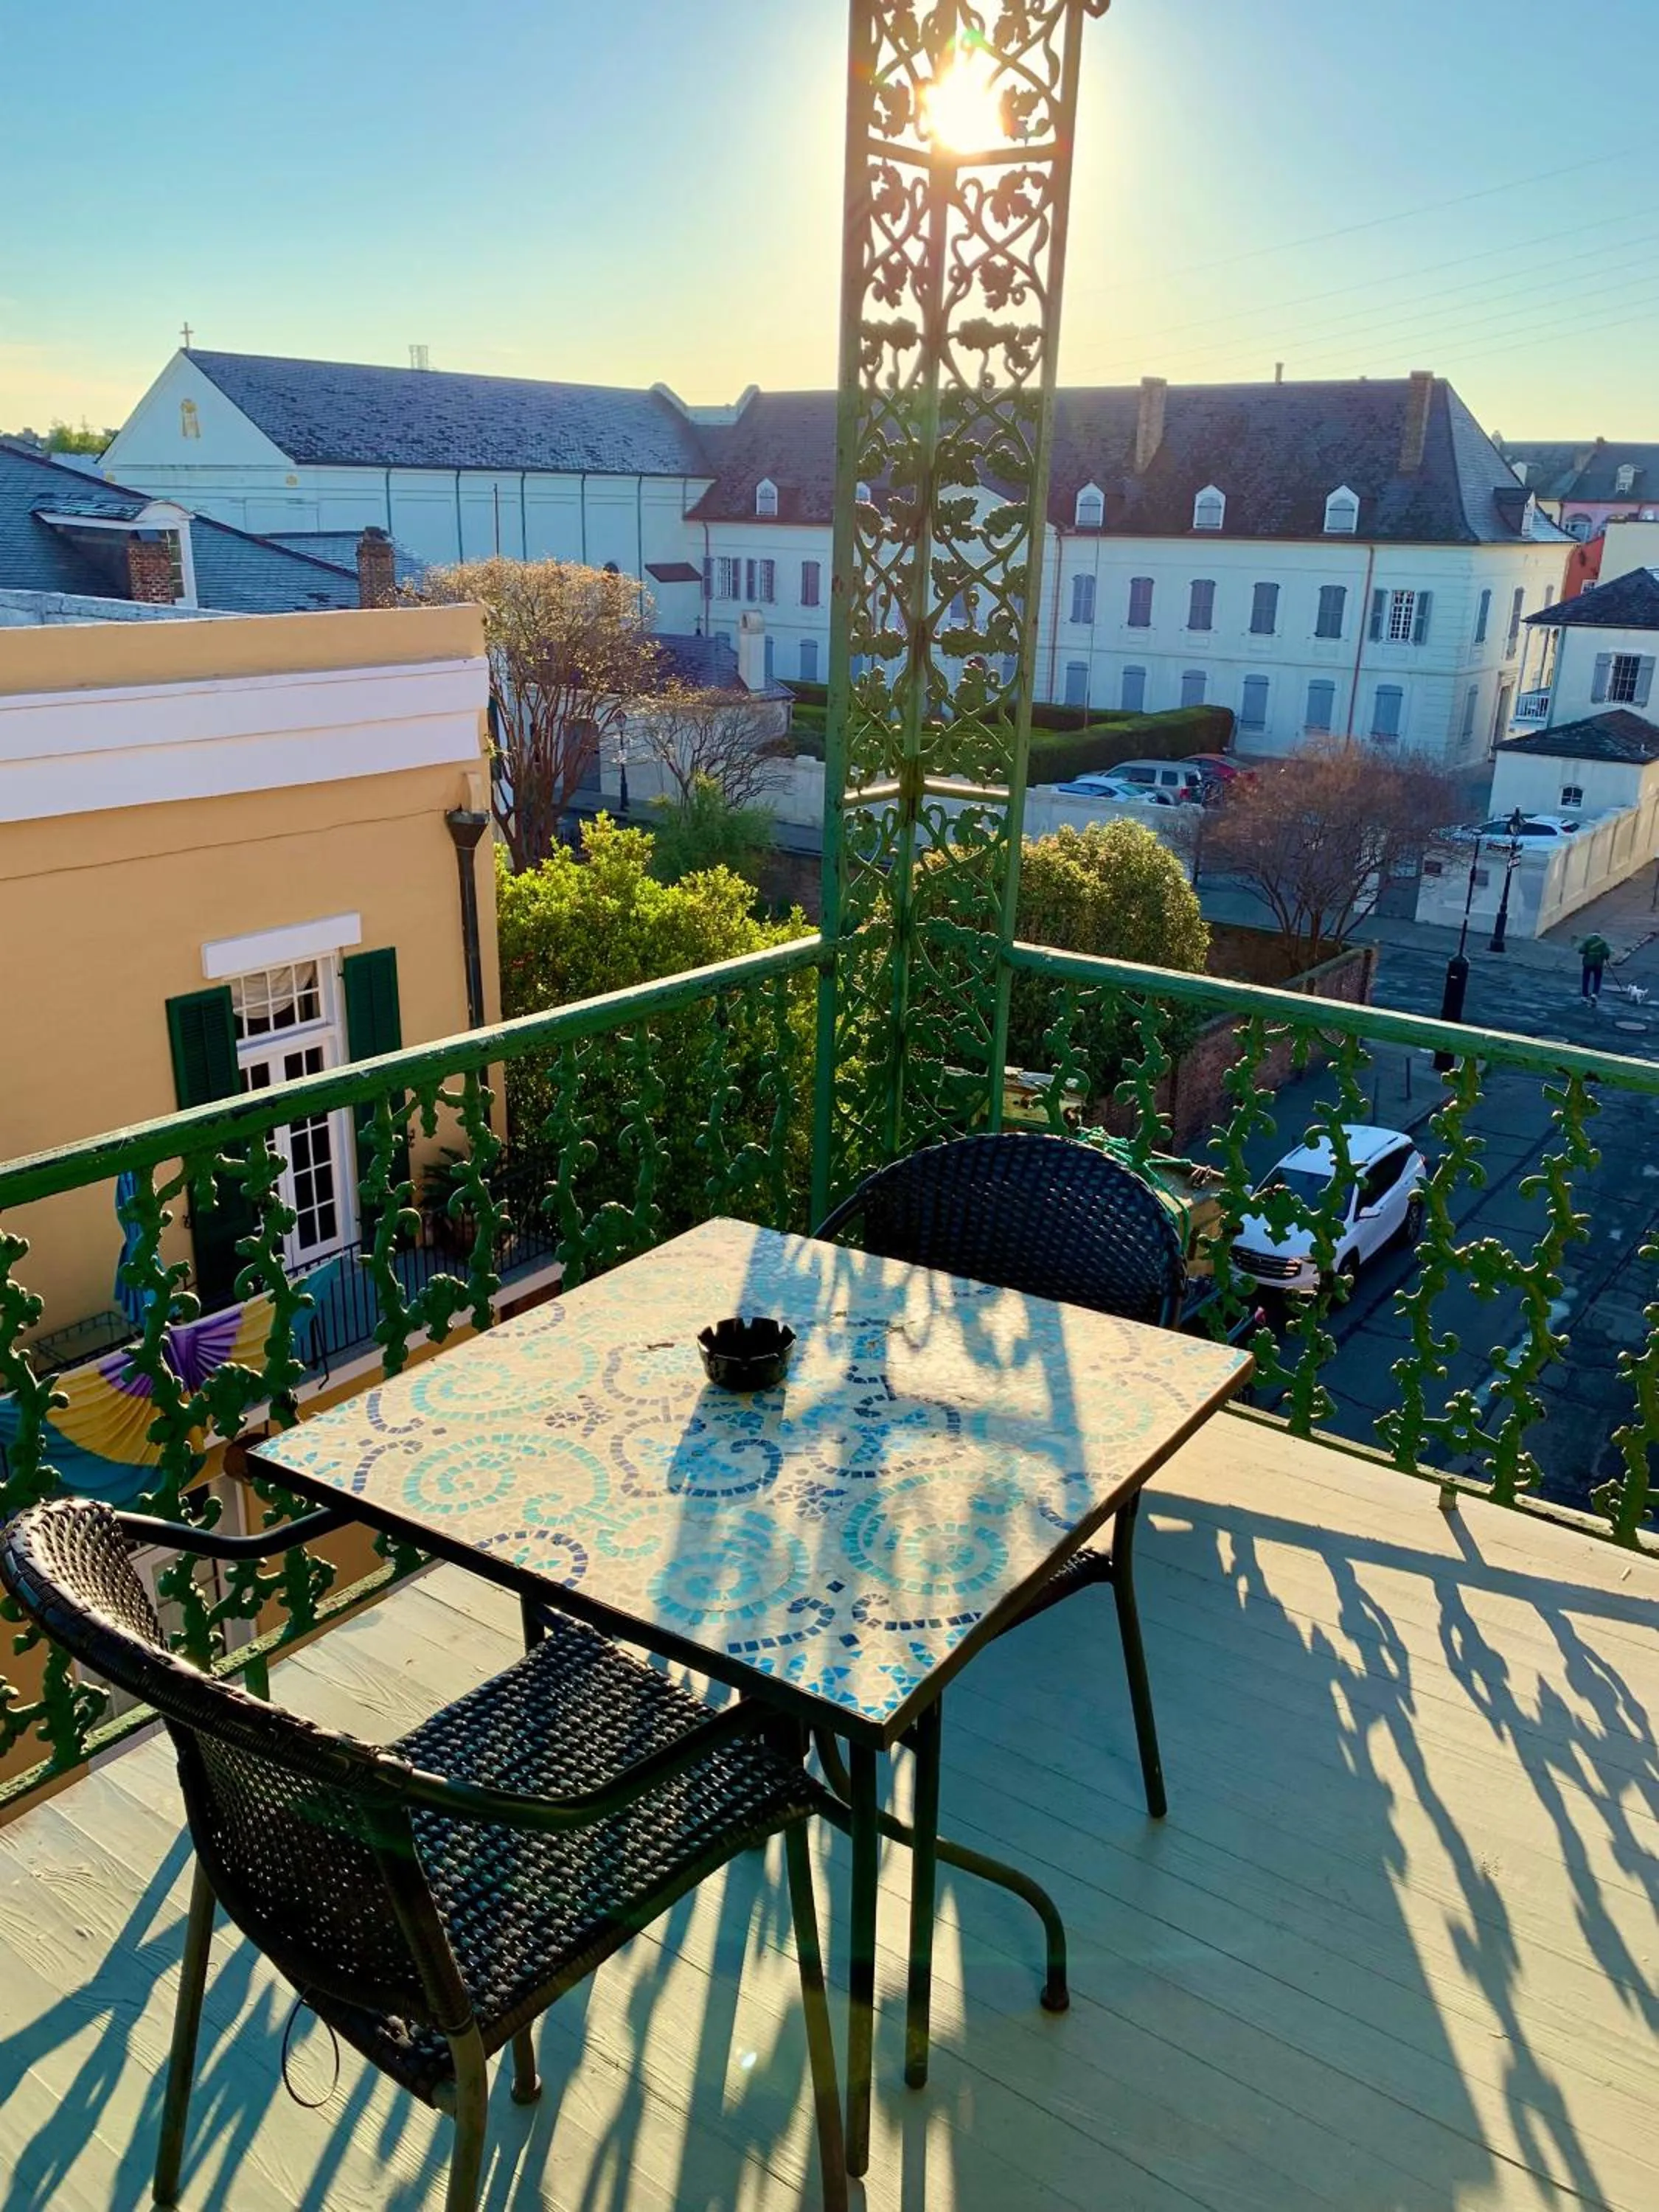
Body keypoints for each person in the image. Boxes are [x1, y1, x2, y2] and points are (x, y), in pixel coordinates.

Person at [1579, 931, 1613, 999]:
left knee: (1586, 978)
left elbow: (1581, 950)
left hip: (1588, 963)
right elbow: (1607, 952)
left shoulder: (1588, 941)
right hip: (1598, 963)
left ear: (1592, 934)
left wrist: (1588, 952)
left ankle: (1585, 994)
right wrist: (1606, 958)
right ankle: (1594, 994)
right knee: (1597, 979)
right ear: (1599, 935)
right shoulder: (1603, 943)